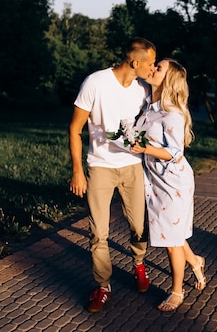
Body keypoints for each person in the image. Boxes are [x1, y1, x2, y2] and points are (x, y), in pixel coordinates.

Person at [68, 37, 156, 313]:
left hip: (132, 166)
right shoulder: (95, 83)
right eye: (151, 63)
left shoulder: (143, 90)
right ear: (135, 62)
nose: (152, 68)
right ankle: (103, 285)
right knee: (99, 232)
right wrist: (78, 172)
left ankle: (139, 264)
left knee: (139, 226)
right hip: (101, 166)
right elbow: (74, 129)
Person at [130, 58, 207, 311]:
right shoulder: (149, 107)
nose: (152, 69)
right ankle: (195, 261)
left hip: (173, 183)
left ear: (168, 80)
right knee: (168, 232)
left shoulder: (171, 113)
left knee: (171, 240)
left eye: (158, 68)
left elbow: (176, 152)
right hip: (155, 180)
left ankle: (176, 292)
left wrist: (145, 147)